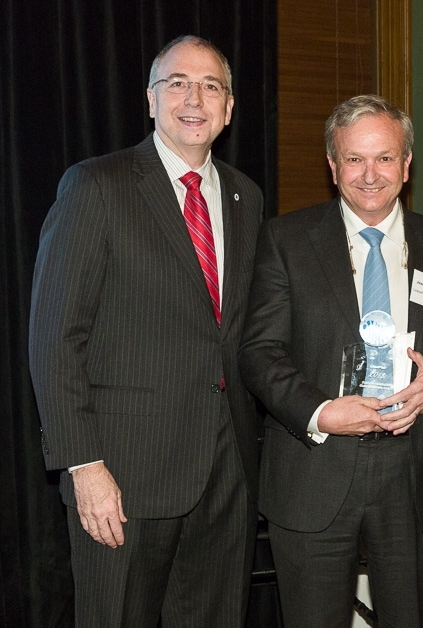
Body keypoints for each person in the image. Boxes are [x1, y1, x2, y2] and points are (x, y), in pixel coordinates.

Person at [28, 35, 263, 626]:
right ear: (151, 100)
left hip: (226, 475)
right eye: (177, 83)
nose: (194, 98)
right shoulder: (96, 185)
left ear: (229, 108)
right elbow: (55, 337)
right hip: (123, 476)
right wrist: (83, 465)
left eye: (210, 86)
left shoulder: (246, 197)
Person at [239, 94, 423, 628]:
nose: (370, 174)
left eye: (384, 158)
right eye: (354, 159)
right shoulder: (285, 240)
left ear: (406, 164)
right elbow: (259, 352)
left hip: (413, 474)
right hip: (314, 470)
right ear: (333, 166)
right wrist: (321, 412)